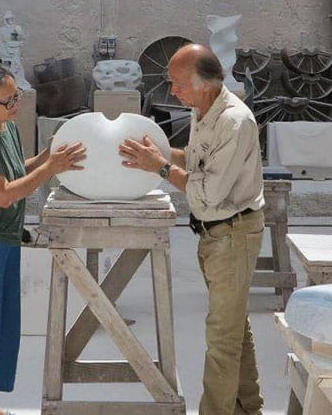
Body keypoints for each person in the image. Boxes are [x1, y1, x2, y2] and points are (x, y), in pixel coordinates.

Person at [118, 43, 265, 415]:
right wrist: (163, 153)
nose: (173, 91)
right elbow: (198, 160)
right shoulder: (205, 111)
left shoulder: (235, 120)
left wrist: (161, 168)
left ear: (205, 83)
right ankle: (249, 407)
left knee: (222, 339)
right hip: (214, 233)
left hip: (232, 232)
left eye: (179, 83)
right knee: (233, 329)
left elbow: (210, 190)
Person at [0, 61, 86, 415]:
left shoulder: (4, 128)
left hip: (3, 240)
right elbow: (3, 193)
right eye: (8, 101)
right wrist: (51, 169)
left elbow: (12, 169)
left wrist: (44, 158)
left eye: (16, 97)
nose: (15, 106)